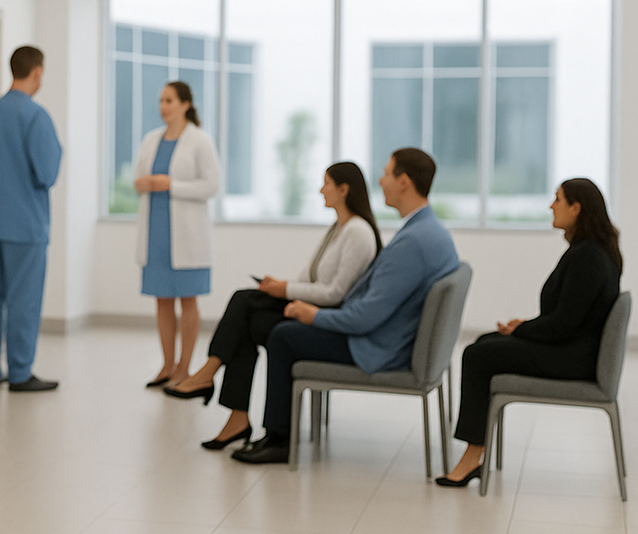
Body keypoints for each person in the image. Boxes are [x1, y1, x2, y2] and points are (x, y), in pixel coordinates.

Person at [232, 148, 460, 464]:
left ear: (404, 181)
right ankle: (268, 430)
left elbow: (364, 318)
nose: (380, 181)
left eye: (386, 173)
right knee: (270, 318)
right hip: (386, 335)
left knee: (284, 336)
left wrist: (316, 316)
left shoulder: (414, 241)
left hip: (376, 346)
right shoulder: (427, 230)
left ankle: (279, 439)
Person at [167, 162, 381, 449]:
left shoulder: (357, 232)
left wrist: (286, 290)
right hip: (311, 304)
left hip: (322, 317)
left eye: (326, 183)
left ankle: (215, 383)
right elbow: (314, 278)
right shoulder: (340, 228)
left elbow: (335, 294)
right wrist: (281, 286)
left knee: (244, 310)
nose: (321, 190)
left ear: (344, 190)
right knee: (245, 307)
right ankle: (229, 407)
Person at [437, 178, 622, 486]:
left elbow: (564, 324)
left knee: (477, 354)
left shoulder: (588, 256)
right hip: (571, 349)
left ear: (577, 208)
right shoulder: (588, 251)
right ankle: (475, 452)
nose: (552, 206)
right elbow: (567, 318)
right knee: (485, 344)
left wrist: (522, 328)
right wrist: (521, 327)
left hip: (571, 359)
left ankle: (472, 457)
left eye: (558, 200)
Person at [0, 45, 64, 392]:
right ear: (37, 72)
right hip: (25, 226)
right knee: (24, 299)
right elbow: (48, 173)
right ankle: (20, 372)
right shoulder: (36, 117)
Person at [135, 81, 220, 388]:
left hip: (186, 236)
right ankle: (167, 366)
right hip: (156, 232)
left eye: (169, 100)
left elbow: (211, 186)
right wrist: (143, 183)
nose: (163, 106)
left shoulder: (200, 140)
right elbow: (138, 178)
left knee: (187, 300)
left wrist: (172, 185)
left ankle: (185, 367)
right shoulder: (150, 139)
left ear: (186, 104)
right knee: (161, 300)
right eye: (160, 100)